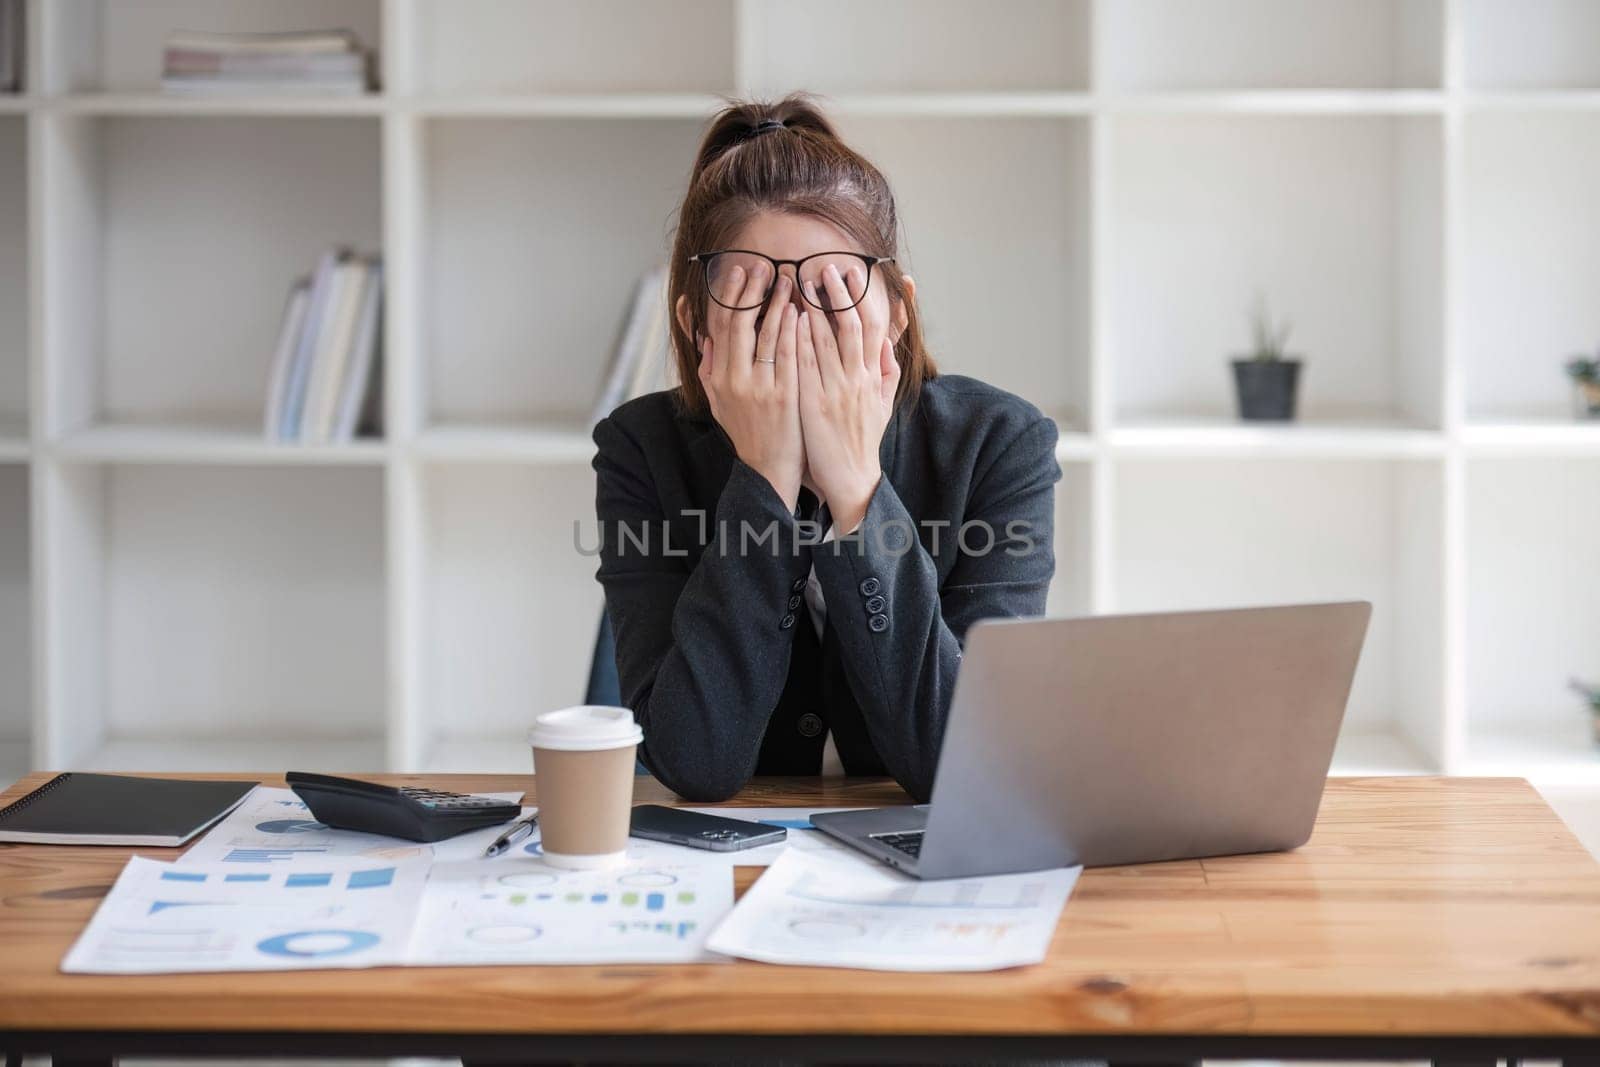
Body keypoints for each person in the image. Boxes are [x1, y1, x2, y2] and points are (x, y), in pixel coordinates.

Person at [591, 91, 1062, 803]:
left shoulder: (1001, 444)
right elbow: (694, 761)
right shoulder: (640, 449)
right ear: (696, 325)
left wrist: (855, 488)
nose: (797, 324)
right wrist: (765, 478)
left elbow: (967, 761)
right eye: (757, 292)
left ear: (897, 310)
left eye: (833, 288)